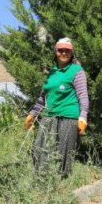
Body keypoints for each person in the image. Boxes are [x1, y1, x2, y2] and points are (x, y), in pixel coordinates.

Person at [24, 37, 89, 177]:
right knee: (39, 149)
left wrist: (83, 116)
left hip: (68, 118)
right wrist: (32, 114)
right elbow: (42, 98)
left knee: (63, 153)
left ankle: (62, 185)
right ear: (55, 52)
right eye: (61, 50)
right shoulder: (52, 72)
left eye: (67, 51)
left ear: (72, 53)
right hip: (49, 116)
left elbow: (83, 96)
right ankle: (41, 180)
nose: (64, 53)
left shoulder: (77, 71)